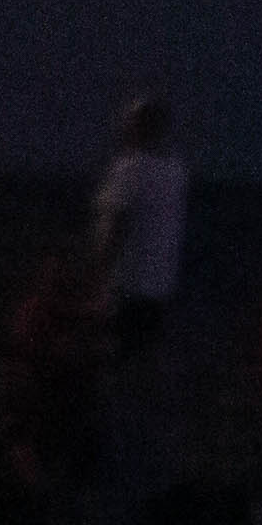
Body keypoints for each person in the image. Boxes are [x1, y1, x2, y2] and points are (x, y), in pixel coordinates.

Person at [90, 94, 185, 358]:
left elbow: (118, 226)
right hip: (158, 286)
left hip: (125, 283)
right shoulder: (175, 171)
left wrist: (97, 279)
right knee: (142, 356)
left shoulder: (129, 169)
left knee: (111, 355)